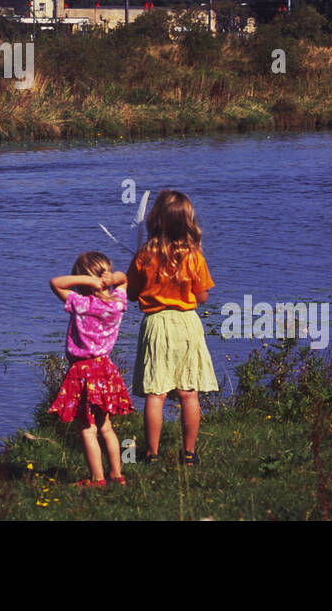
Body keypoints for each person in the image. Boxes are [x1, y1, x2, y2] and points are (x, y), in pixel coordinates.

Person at [127, 189, 218, 466]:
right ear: (188, 221)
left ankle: (151, 454)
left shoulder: (145, 254)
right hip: (187, 323)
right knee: (189, 392)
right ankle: (189, 454)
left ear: (155, 220)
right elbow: (202, 297)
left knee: (156, 393)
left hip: (155, 324)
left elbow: (131, 293)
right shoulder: (194, 256)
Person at [48, 251, 135, 486]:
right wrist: (111, 278)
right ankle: (117, 474)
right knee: (106, 426)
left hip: (82, 371)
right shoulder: (117, 303)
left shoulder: (80, 303)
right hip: (105, 368)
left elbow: (55, 283)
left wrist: (87, 281)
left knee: (87, 428)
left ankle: (97, 479)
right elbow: (124, 279)